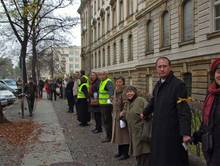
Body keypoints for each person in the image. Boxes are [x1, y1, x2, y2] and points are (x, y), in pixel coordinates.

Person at [141, 57, 192, 166]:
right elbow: (154, 101)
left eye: (165, 66)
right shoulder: (158, 84)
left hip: (172, 132)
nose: (162, 69)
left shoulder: (178, 85)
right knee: (158, 158)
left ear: (170, 67)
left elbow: (184, 110)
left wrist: (185, 133)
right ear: (156, 69)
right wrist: (145, 112)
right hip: (158, 129)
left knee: (172, 159)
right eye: (159, 67)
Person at [193, 58, 220, 166]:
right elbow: (207, 121)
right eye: (218, 72)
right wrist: (197, 135)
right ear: (214, 74)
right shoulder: (210, 94)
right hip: (210, 146)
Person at [125, 86, 151, 166]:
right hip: (133, 133)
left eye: (131, 91)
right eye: (127, 92)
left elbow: (149, 111)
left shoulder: (140, 100)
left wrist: (145, 116)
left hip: (142, 132)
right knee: (138, 152)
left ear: (135, 92)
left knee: (144, 152)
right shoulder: (129, 102)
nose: (129, 93)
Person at [111, 76, 130, 160]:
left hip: (122, 116)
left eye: (120, 82)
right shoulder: (116, 90)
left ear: (123, 82)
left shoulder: (125, 91)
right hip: (116, 115)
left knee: (124, 135)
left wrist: (123, 112)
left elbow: (126, 103)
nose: (118, 83)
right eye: (117, 82)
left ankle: (125, 153)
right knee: (118, 135)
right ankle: (120, 152)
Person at [99, 71, 114, 143]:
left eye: (103, 74)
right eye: (100, 74)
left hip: (106, 105)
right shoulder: (102, 82)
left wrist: (109, 103)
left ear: (107, 75)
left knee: (107, 121)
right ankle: (108, 135)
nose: (101, 76)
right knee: (105, 121)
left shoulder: (108, 82)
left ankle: (109, 137)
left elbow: (111, 93)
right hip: (102, 104)